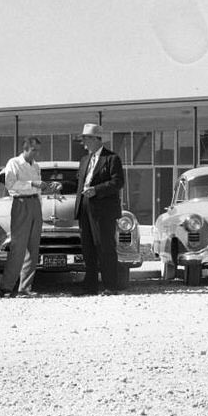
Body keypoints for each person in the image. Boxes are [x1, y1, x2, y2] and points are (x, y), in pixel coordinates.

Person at [75, 123, 125, 294]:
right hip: (85, 208)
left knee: (105, 247)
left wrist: (96, 190)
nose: (84, 143)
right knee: (88, 247)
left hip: (103, 210)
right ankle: (90, 286)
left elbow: (118, 182)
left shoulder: (112, 159)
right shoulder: (84, 160)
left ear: (97, 139)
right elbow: (79, 182)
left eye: (86, 138)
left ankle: (110, 286)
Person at [0, 137, 44, 298]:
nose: (36, 153)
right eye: (34, 150)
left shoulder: (36, 165)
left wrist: (43, 189)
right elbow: (10, 184)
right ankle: (7, 287)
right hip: (21, 203)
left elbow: (37, 188)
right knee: (18, 246)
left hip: (35, 204)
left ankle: (25, 287)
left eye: (38, 150)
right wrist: (32, 184)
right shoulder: (13, 163)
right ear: (25, 149)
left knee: (33, 247)